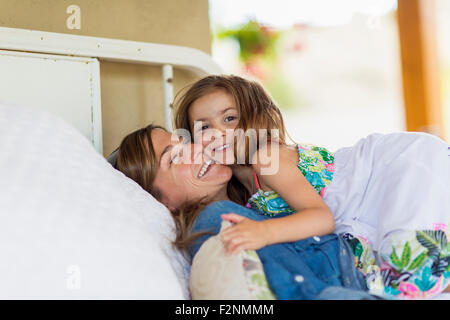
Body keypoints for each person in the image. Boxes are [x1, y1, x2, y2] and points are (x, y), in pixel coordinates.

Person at [173, 74, 450, 299]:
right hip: (362, 205)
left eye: (229, 119)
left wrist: (264, 231)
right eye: (203, 128)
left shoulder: (265, 157)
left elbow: (321, 218)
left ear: (255, 118)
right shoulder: (245, 187)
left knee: (411, 263)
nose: (217, 133)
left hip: (394, 168)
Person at [114, 124, 379, 300]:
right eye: (174, 157)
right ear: (163, 204)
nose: (196, 149)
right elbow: (301, 289)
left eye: (186, 142)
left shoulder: (255, 202)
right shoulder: (214, 219)